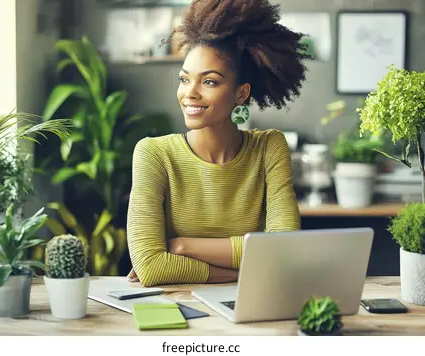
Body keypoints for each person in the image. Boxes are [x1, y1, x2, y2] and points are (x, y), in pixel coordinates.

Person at [126, 0, 311, 287]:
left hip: (257, 306)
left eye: (209, 82)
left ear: (241, 94)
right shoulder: (154, 153)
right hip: (179, 311)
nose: (191, 93)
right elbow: (150, 266)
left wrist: (182, 247)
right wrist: (242, 273)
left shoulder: (269, 148)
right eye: (185, 79)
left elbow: (283, 251)